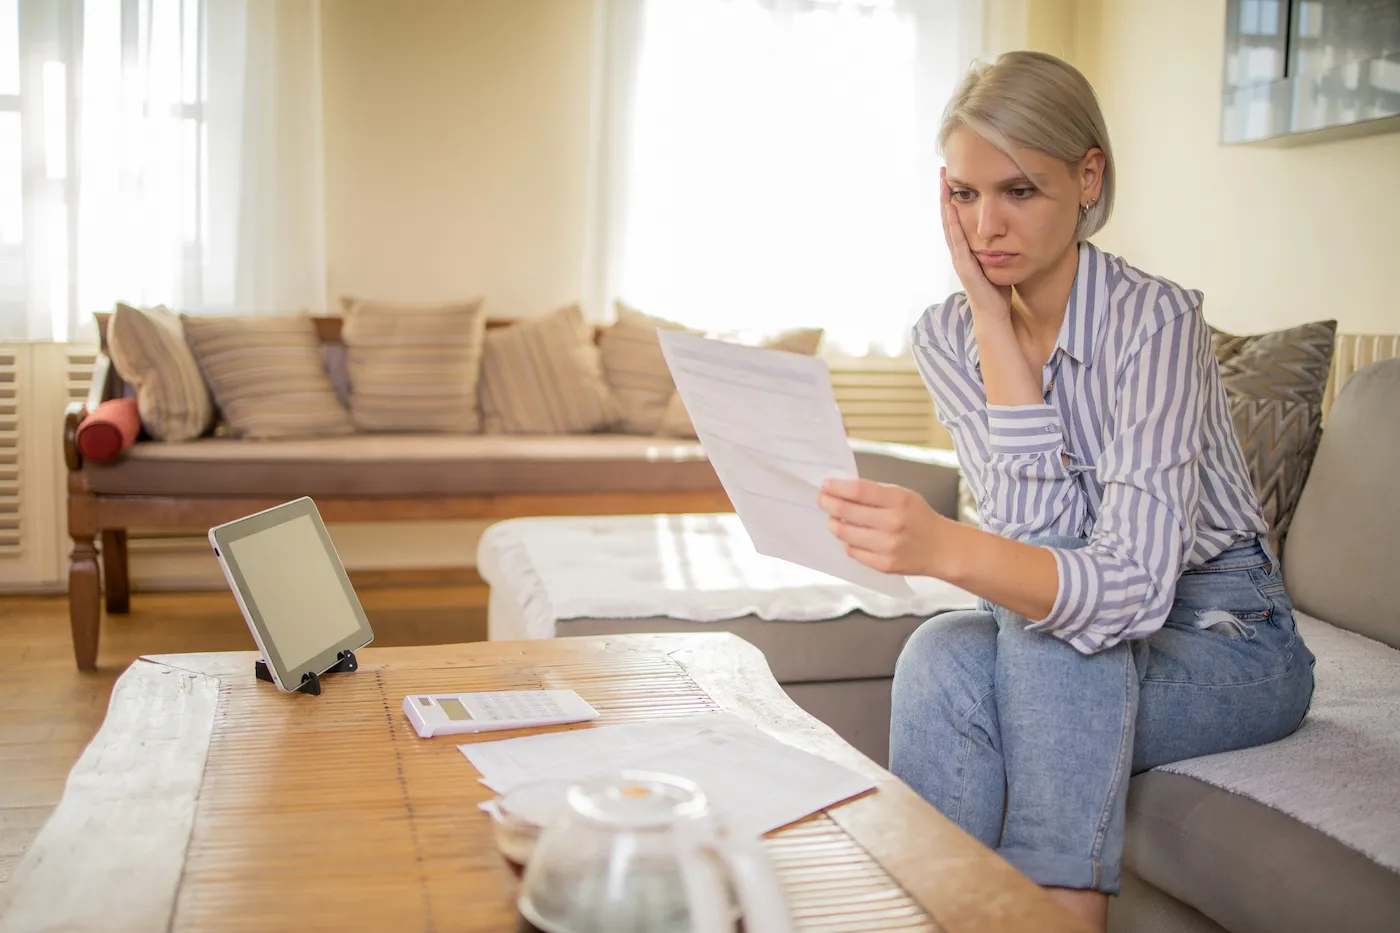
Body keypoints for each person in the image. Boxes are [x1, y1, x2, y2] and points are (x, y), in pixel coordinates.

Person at [815, 50, 1315, 930]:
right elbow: (1041, 549)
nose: (986, 226)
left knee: (1056, 640)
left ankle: (1059, 908)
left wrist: (945, 546)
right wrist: (993, 330)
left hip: (1230, 635)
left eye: (1019, 191)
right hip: (1097, 623)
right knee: (940, 653)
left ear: (1089, 178)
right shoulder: (946, 335)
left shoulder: (1156, 321)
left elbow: (1125, 592)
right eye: (964, 195)